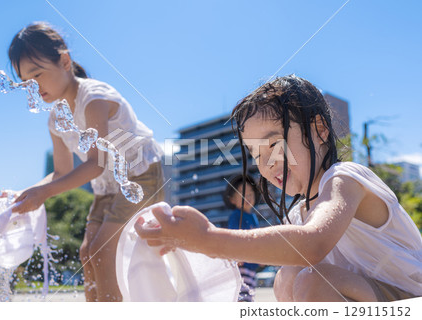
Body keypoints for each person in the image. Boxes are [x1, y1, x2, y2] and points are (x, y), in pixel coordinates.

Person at [136, 75, 422, 302]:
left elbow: (312, 244)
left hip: (410, 300)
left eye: (273, 144)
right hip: (374, 299)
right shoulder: (298, 214)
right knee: (287, 277)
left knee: (311, 278)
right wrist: (187, 244)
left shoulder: (344, 179)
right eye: (256, 155)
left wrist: (208, 239)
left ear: (320, 130)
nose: (267, 163)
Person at [7, 22, 164, 301]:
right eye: (24, 81)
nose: (32, 86)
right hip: (107, 188)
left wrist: (44, 193)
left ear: (64, 61)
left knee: (103, 249)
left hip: (140, 176)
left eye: (37, 74)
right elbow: (61, 173)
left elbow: (96, 163)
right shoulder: (56, 119)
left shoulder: (94, 97)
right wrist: (25, 195)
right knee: (87, 253)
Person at [223, 174, 261, 302]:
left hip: (251, 265)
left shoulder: (253, 217)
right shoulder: (236, 215)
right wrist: (236, 253)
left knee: (249, 295)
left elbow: (257, 240)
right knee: (242, 296)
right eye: (243, 194)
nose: (248, 197)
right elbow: (234, 236)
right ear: (233, 199)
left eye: (250, 194)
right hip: (242, 264)